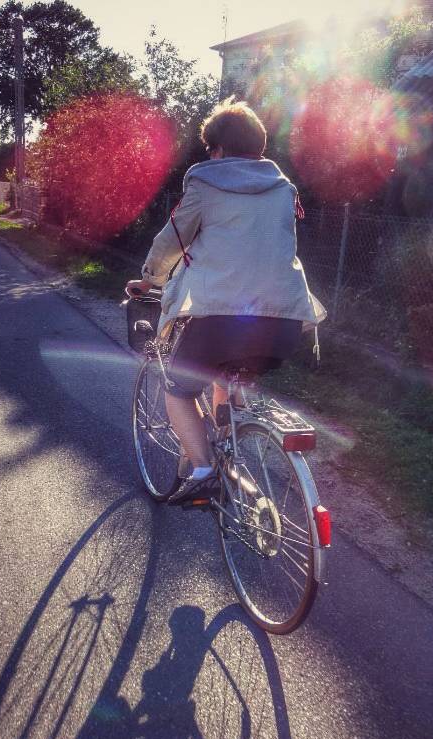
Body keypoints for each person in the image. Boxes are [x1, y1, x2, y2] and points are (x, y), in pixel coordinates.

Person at [126, 97, 325, 503]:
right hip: (283, 323)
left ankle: (203, 469)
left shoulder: (205, 183)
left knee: (178, 389)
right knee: (226, 375)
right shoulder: (283, 189)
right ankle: (227, 446)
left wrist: (149, 280)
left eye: (211, 150)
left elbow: (174, 238)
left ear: (217, 150)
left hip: (218, 322)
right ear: (258, 148)